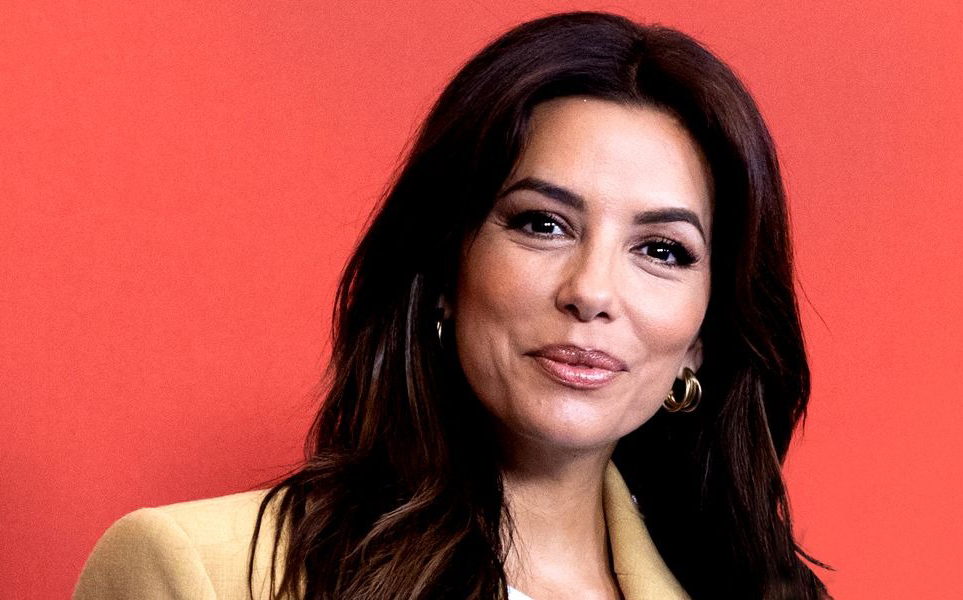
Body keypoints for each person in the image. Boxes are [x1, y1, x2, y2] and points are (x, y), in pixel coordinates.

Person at [73, 11, 829, 600]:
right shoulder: (195, 572)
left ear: (701, 337)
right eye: (542, 224)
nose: (592, 292)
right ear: (444, 269)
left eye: (662, 250)